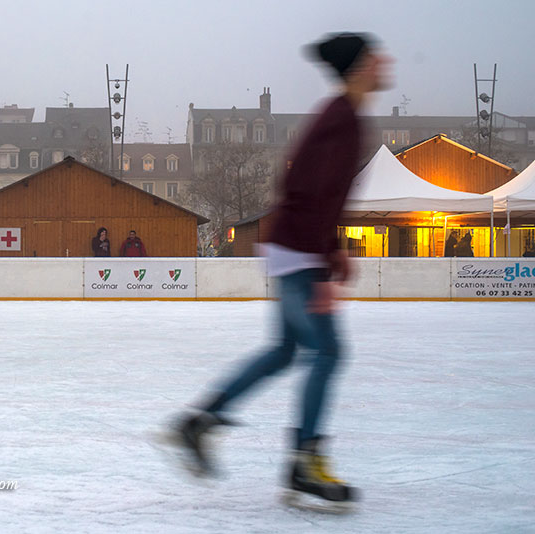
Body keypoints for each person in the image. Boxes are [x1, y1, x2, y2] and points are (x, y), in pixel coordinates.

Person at [167, 33, 392, 511]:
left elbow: (316, 193)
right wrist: (327, 264)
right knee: (327, 351)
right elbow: (309, 191)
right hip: (298, 250)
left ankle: (200, 422)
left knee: (286, 350)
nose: (384, 62)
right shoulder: (342, 120)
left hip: (293, 246)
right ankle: (304, 461)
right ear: (358, 67)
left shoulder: (342, 117)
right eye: (375, 57)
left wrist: (332, 250)